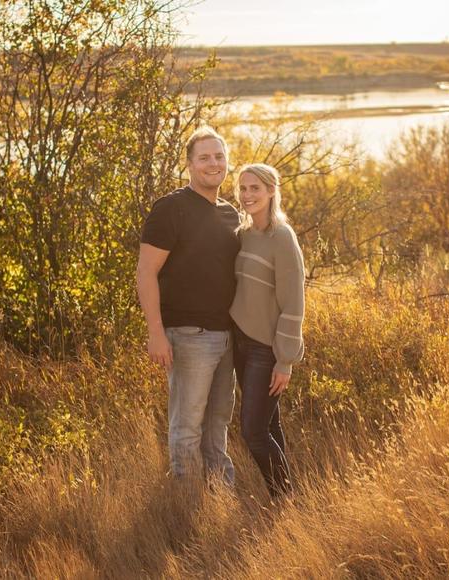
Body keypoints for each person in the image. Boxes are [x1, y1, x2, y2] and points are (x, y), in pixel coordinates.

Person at [136, 126, 240, 485]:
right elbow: (146, 272)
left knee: (218, 425)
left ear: (227, 162)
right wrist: (156, 333)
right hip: (188, 335)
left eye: (219, 156)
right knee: (187, 427)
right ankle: (187, 501)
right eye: (204, 157)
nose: (213, 163)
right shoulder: (171, 208)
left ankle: (219, 498)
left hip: (227, 336)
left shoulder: (230, 214)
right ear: (190, 164)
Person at [230, 163, 305, 497]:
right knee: (268, 424)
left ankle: (284, 495)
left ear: (272, 190)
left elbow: (293, 301)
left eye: (255, 188)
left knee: (253, 431)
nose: (248, 195)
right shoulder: (243, 234)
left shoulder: (282, 237)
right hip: (239, 343)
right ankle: (283, 502)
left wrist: (285, 360)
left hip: (266, 350)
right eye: (243, 188)